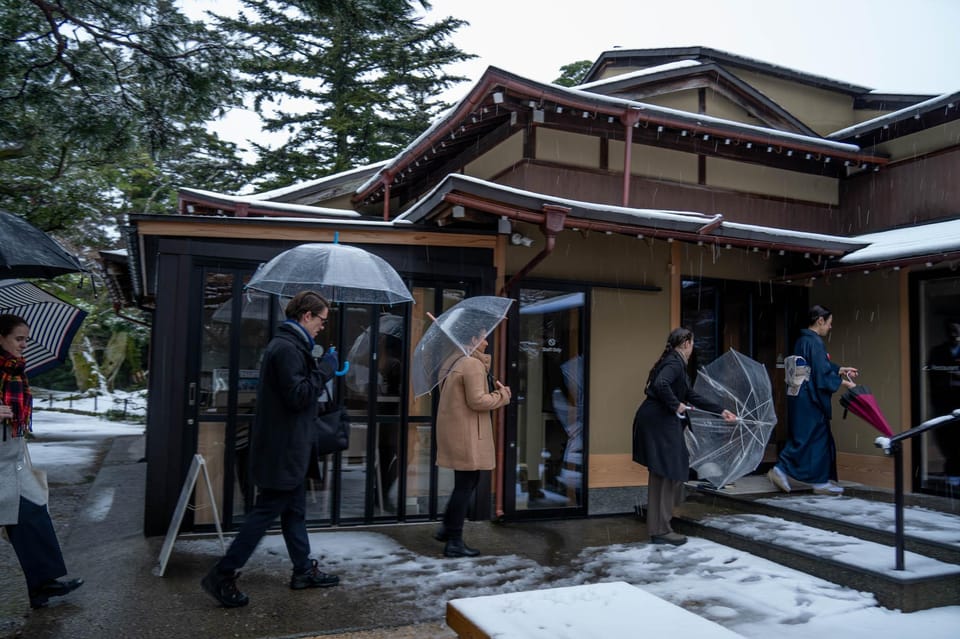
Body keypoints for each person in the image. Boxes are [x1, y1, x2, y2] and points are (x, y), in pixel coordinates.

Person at [201, 291, 340, 608]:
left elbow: (294, 396)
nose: (323, 326)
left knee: (294, 512)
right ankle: (222, 575)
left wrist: (317, 367)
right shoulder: (287, 348)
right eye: (322, 320)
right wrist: (326, 369)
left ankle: (303, 570)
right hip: (283, 450)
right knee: (263, 515)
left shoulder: (290, 346)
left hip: (289, 449)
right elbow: (299, 396)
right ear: (306, 316)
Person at [0, 314, 84, 609]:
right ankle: (42, 584)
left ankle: (43, 584)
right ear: (1, 337)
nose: (24, 344)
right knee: (25, 517)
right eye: (18, 338)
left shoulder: (13, 370)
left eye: (26, 338)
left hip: (12, 456)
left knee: (33, 513)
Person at [632, 327, 736, 546]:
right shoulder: (674, 362)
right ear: (686, 343)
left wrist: (719, 410)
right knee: (667, 471)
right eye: (693, 343)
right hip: (659, 422)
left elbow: (690, 395)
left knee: (667, 471)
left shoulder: (675, 362)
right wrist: (675, 404)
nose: (693, 347)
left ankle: (660, 526)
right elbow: (661, 384)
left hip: (657, 421)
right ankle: (661, 528)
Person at [433, 334, 511, 557]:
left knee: (466, 482)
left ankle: (447, 528)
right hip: (468, 433)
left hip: (457, 432)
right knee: (466, 484)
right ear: (473, 338)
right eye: (483, 336)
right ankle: (454, 541)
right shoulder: (472, 364)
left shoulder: (452, 361)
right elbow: (478, 400)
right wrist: (502, 395)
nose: (487, 341)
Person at [768, 305, 858, 496]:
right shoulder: (815, 342)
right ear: (820, 321)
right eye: (829, 323)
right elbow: (821, 373)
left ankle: (820, 481)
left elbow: (819, 366)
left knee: (814, 438)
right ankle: (781, 469)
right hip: (809, 399)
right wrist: (844, 383)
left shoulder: (803, 340)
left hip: (800, 396)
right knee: (807, 438)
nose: (830, 327)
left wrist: (840, 369)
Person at [926, 319, 960, 482]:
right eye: (951, 330)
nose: (954, 334)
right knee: (947, 441)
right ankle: (952, 477)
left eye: (957, 330)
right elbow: (933, 379)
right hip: (943, 405)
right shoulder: (937, 352)